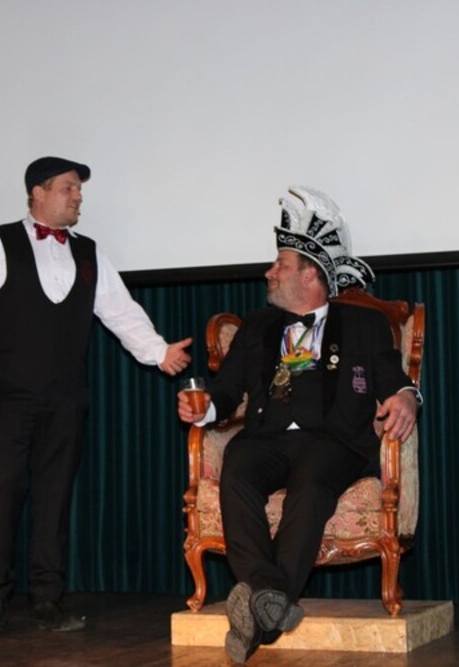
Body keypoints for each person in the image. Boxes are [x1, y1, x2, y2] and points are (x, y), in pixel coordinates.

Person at [0, 156, 192, 637]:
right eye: (69, 188)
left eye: (78, 190)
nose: (78, 197)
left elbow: (121, 311)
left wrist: (159, 352)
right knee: (2, 497)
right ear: (38, 192)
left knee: (54, 500)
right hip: (9, 397)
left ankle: (47, 602)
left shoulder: (88, 251)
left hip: (66, 399)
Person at [176, 187, 420, 664]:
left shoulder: (364, 325)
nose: (269, 272)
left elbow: (394, 380)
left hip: (333, 441)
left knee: (311, 483)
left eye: (280, 265)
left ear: (310, 274)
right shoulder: (257, 327)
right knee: (236, 470)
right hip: (266, 439)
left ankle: (259, 610)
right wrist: (201, 409)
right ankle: (271, 598)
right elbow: (226, 393)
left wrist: (407, 396)